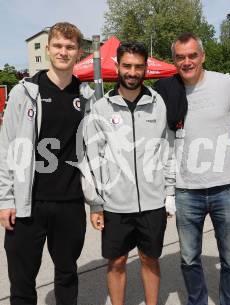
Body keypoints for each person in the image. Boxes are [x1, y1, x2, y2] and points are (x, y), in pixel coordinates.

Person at [0, 22, 97, 305]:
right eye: (58, 46)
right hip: (29, 204)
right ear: (49, 49)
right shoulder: (25, 92)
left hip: (70, 203)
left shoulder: (86, 96)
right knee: (22, 281)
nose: (64, 52)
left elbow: (93, 154)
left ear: (78, 52)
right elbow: (7, 149)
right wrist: (6, 199)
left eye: (70, 47)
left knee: (66, 275)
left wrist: (96, 201)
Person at [154, 33, 230, 305]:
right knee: (188, 259)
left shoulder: (226, 83)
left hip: (226, 188)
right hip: (186, 191)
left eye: (192, 55)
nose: (187, 62)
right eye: (180, 57)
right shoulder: (166, 90)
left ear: (202, 56)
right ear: (174, 60)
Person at [83, 41, 175, 305]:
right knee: (117, 261)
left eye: (138, 66)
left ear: (145, 67)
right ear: (117, 66)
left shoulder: (158, 103)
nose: (132, 72)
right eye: (127, 66)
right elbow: (93, 158)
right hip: (115, 204)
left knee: (150, 258)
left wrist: (170, 192)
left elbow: (167, 151)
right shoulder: (101, 107)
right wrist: (96, 203)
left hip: (153, 201)